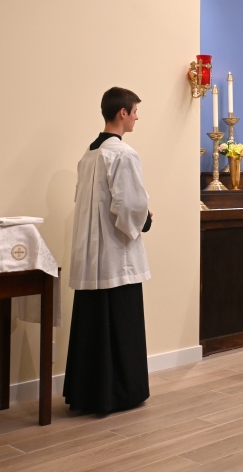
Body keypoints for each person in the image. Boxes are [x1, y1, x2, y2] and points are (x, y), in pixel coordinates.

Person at [64, 87, 153, 413]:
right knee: (119, 323)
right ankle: (120, 393)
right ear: (122, 113)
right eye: (135, 111)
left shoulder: (89, 155)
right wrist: (146, 219)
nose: (137, 118)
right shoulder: (122, 154)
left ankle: (89, 394)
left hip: (91, 257)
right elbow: (129, 205)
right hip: (116, 257)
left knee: (93, 324)